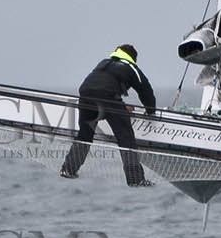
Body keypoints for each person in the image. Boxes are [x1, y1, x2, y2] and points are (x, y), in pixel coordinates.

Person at [59, 44, 156, 187]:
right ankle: (135, 179)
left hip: (85, 95)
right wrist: (150, 111)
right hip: (107, 98)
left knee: (85, 136)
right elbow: (145, 90)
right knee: (126, 139)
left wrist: (121, 106)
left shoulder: (103, 63)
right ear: (133, 57)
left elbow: (102, 85)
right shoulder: (131, 67)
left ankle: (68, 169)